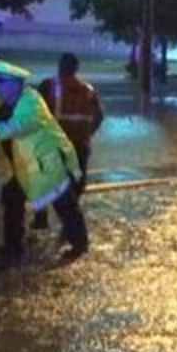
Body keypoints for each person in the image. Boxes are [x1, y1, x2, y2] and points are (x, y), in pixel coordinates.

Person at [0, 60, 88, 264]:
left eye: (2, 83)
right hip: (21, 166)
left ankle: (79, 244)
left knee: (64, 204)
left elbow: (22, 123)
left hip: (47, 164)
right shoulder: (3, 101)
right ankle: (13, 249)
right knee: (12, 204)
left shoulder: (31, 101)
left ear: (14, 84)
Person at [30, 53, 104, 229]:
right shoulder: (88, 90)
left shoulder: (48, 86)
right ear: (76, 69)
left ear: (60, 67)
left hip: (54, 145)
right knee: (74, 185)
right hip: (80, 146)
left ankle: (41, 218)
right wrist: (87, 133)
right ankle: (69, 225)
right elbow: (99, 117)